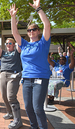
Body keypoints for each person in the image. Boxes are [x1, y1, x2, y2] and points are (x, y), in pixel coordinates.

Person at [8, 1, 51, 129]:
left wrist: (38, 9)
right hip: (26, 79)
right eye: (29, 30)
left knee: (38, 108)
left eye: (34, 29)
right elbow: (15, 33)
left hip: (40, 78)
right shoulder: (24, 44)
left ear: (38, 31)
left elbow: (47, 25)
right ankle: (34, 127)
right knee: (28, 107)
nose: (31, 31)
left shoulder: (43, 43)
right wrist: (13, 16)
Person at [0, 25, 22, 129]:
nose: (8, 45)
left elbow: (19, 40)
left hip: (14, 74)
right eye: (6, 43)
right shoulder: (2, 53)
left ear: (14, 44)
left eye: (10, 43)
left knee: (11, 96)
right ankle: (10, 113)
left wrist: (15, 26)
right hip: (3, 74)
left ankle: (18, 120)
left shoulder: (17, 52)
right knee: (4, 96)